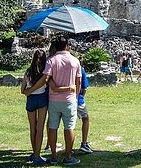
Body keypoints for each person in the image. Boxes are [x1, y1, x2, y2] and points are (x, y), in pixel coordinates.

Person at [24, 35, 82, 166]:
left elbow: (46, 78)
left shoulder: (51, 60)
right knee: (69, 128)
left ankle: (54, 156)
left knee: (52, 127)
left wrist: (52, 88)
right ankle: (68, 156)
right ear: (67, 46)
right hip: (69, 99)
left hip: (54, 100)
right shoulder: (75, 61)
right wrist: (76, 97)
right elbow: (78, 82)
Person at [21, 49, 48, 165]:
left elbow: (22, 90)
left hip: (31, 99)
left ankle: (34, 152)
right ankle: (37, 154)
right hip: (42, 98)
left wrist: (28, 91)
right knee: (40, 127)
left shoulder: (28, 72)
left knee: (32, 127)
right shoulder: (45, 72)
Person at [77, 67, 93, 154]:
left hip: (61, 99)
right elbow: (84, 88)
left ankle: (49, 145)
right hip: (78, 99)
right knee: (85, 119)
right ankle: (84, 144)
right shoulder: (80, 68)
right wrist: (81, 97)